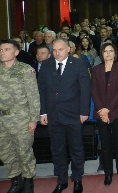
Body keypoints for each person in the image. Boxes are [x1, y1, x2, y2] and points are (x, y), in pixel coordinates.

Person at [38, 38, 91, 193]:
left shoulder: (78, 64)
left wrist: (84, 112)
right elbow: (42, 90)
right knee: (57, 149)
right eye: (54, 50)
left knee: (76, 148)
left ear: (69, 49)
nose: (57, 53)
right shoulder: (46, 65)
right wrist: (43, 112)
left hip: (74, 114)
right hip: (54, 115)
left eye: (60, 49)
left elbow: (85, 90)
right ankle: (61, 180)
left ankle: (77, 179)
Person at [0, 39, 40, 193]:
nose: (2, 52)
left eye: (7, 49)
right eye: (0, 50)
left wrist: (33, 119)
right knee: (5, 152)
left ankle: (28, 181)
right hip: (0, 120)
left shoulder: (25, 70)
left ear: (16, 52)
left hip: (20, 117)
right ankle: (16, 181)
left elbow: (33, 96)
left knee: (24, 151)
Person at [91, 43, 118, 186]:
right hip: (101, 113)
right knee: (105, 145)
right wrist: (102, 110)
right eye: (105, 51)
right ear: (101, 54)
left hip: (117, 110)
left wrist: (108, 109)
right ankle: (108, 174)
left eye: (111, 51)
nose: (108, 53)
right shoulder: (96, 69)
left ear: (115, 53)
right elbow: (93, 91)